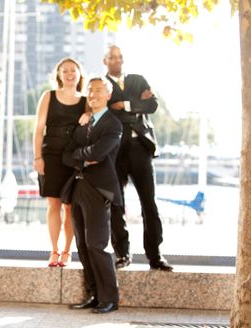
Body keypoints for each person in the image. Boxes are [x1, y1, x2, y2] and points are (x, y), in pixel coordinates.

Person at [104, 45, 173, 272]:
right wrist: (136, 106)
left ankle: (155, 255)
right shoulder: (101, 85)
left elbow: (152, 105)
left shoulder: (137, 79)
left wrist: (124, 105)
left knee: (149, 203)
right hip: (115, 150)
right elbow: (105, 109)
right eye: (112, 57)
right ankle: (122, 254)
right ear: (105, 60)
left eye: (120, 57)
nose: (117, 60)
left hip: (141, 148)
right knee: (116, 203)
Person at [63, 77, 123, 314]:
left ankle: (110, 298)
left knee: (97, 244)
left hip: (99, 189)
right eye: (90, 90)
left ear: (108, 95)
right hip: (78, 186)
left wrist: (82, 154)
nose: (93, 94)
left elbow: (99, 152)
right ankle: (93, 294)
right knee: (83, 245)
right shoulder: (84, 123)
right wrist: (83, 155)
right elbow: (66, 155)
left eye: (99, 90)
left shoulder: (113, 124)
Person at [33, 58, 88, 267]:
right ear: (59, 75)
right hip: (51, 155)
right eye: (65, 71)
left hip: (74, 156)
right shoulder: (49, 96)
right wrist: (37, 157)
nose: (69, 74)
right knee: (53, 203)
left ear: (79, 74)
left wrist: (88, 115)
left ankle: (67, 251)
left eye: (73, 70)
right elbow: (38, 130)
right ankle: (54, 250)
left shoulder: (85, 101)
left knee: (71, 206)